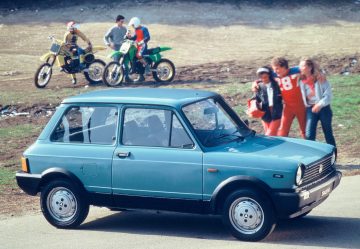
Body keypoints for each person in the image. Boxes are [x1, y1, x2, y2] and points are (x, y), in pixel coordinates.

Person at [299, 58, 336, 147]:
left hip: (324, 109)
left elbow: (328, 95)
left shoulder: (320, 78)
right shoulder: (301, 80)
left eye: (303, 66)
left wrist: (319, 104)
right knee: (309, 134)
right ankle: (313, 157)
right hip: (310, 109)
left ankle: (333, 155)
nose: (300, 68)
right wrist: (258, 81)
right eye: (300, 66)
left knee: (328, 133)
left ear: (310, 67)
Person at [270, 57, 306, 138]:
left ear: (284, 67)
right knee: (282, 130)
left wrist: (319, 74)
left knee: (304, 130)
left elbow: (311, 68)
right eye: (274, 69)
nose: (275, 71)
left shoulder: (296, 70)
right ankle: (283, 149)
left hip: (301, 105)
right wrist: (255, 83)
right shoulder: (274, 74)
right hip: (288, 106)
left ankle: (310, 148)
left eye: (277, 69)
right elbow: (263, 77)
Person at [253, 67, 283, 136]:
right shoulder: (259, 86)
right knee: (273, 135)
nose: (264, 79)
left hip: (277, 113)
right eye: (262, 77)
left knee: (269, 135)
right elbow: (256, 98)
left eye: (265, 77)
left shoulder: (277, 84)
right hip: (265, 115)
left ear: (269, 75)